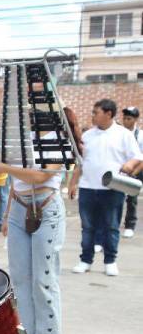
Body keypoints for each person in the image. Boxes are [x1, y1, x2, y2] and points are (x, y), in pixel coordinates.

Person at [0, 128, 67, 334]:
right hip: (19, 208)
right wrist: (9, 213)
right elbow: (17, 183)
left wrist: (3, 168)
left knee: (44, 277)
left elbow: (41, 176)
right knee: (20, 277)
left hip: (47, 205)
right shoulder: (20, 138)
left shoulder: (58, 139)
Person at [68, 99, 143, 276]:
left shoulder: (123, 135)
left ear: (108, 114)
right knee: (87, 227)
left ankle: (110, 260)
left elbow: (137, 156)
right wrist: (73, 183)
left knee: (111, 226)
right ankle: (85, 260)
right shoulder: (87, 136)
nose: (93, 116)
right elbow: (80, 162)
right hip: (87, 188)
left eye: (96, 112)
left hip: (112, 189)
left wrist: (129, 165)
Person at [120, 106, 143, 238]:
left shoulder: (140, 136)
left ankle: (130, 225)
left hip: (136, 169)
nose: (125, 121)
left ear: (135, 120)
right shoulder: (119, 133)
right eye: (124, 118)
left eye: (128, 118)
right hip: (122, 169)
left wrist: (134, 173)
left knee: (132, 198)